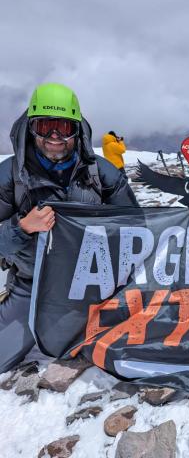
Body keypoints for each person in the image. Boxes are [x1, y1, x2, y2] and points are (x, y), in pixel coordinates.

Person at [0, 83, 138, 373]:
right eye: (46, 127)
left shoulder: (101, 173)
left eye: (63, 128)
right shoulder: (10, 176)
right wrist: (22, 227)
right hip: (33, 286)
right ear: (31, 128)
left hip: (96, 287)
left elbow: (137, 229)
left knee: (138, 351)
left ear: (77, 130)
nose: (54, 138)